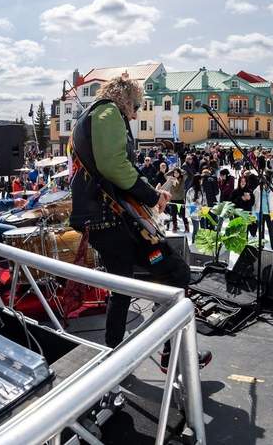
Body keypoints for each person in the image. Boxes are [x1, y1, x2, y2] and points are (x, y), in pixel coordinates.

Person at [68, 76, 212, 371]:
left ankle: (112, 358)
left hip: (103, 221)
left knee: (120, 291)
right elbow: (114, 166)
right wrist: (149, 195)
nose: (136, 112)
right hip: (114, 221)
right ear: (124, 97)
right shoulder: (108, 113)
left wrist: (149, 191)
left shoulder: (90, 117)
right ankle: (169, 353)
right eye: (136, 105)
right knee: (176, 272)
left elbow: (114, 167)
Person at [185, 174, 206, 243]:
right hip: (194, 211)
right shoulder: (191, 190)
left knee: (203, 228)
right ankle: (193, 243)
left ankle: (202, 243)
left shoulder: (202, 188)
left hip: (203, 210)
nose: (202, 181)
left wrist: (205, 208)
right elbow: (189, 201)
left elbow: (204, 199)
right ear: (198, 180)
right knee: (196, 229)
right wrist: (195, 203)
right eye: (201, 179)